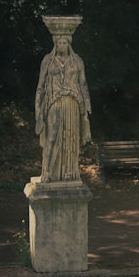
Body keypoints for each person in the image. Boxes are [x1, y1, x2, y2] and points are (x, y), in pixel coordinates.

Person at [35, 33, 92, 182]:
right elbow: (40, 86)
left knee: (70, 138)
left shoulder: (77, 61)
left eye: (64, 43)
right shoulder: (48, 60)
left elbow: (83, 84)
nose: (61, 45)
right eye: (59, 43)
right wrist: (37, 108)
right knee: (52, 137)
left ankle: (69, 173)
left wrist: (87, 105)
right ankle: (47, 172)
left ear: (69, 44)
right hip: (54, 103)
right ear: (55, 44)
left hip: (73, 103)